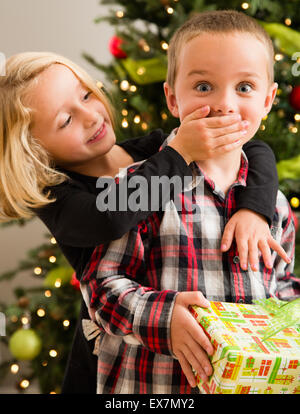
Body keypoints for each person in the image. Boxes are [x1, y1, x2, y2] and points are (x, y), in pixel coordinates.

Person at [0, 49, 286, 394]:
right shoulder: (60, 199)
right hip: (119, 362)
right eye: (66, 120)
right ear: (34, 152)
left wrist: (254, 209)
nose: (91, 116)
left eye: (86, 95)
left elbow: (255, 150)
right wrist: (179, 154)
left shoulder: (149, 150)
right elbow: (110, 216)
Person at [80, 10, 300, 394]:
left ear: (268, 100)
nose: (224, 104)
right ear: (172, 98)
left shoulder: (274, 205)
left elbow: (280, 288)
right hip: (153, 389)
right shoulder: (134, 188)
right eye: (203, 87)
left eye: (244, 87)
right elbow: (100, 287)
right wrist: (164, 319)